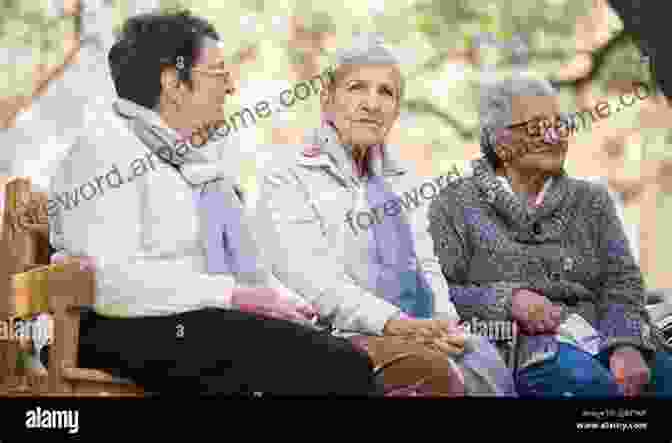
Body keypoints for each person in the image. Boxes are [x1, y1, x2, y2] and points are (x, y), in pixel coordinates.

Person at [47, 10, 381, 396]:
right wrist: (237, 297)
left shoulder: (191, 164)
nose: (230, 87)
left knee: (334, 350)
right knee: (337, 365)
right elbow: (108, 281)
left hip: (182, 321)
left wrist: (284, 303)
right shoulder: (106, 151)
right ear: (173, 82)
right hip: (117, 325)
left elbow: (232, 269)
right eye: (219, 73)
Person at [255, 34, 517, 396]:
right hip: (332, 337)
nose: (372, 104)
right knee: (433, 373)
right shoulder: (287, 174)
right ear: (327, 100)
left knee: (488, 360)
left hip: (415, 329)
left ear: (396, 110)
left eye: (386, 93)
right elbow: (316, 283)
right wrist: (399, 324)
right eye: (357, 88)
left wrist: (442, 324)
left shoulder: (405, 179)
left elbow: (428, 267)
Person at [428, 73, 672, 397]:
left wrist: (627, 345)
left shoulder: (592, 200)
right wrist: (508, 300)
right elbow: (440, 293)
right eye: (537, 126)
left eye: (560, 123)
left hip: (606, 335)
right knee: (591, 390)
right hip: (527, 349)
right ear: (501, 144)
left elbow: (622, 281)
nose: (554, 135)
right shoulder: (455, 205)